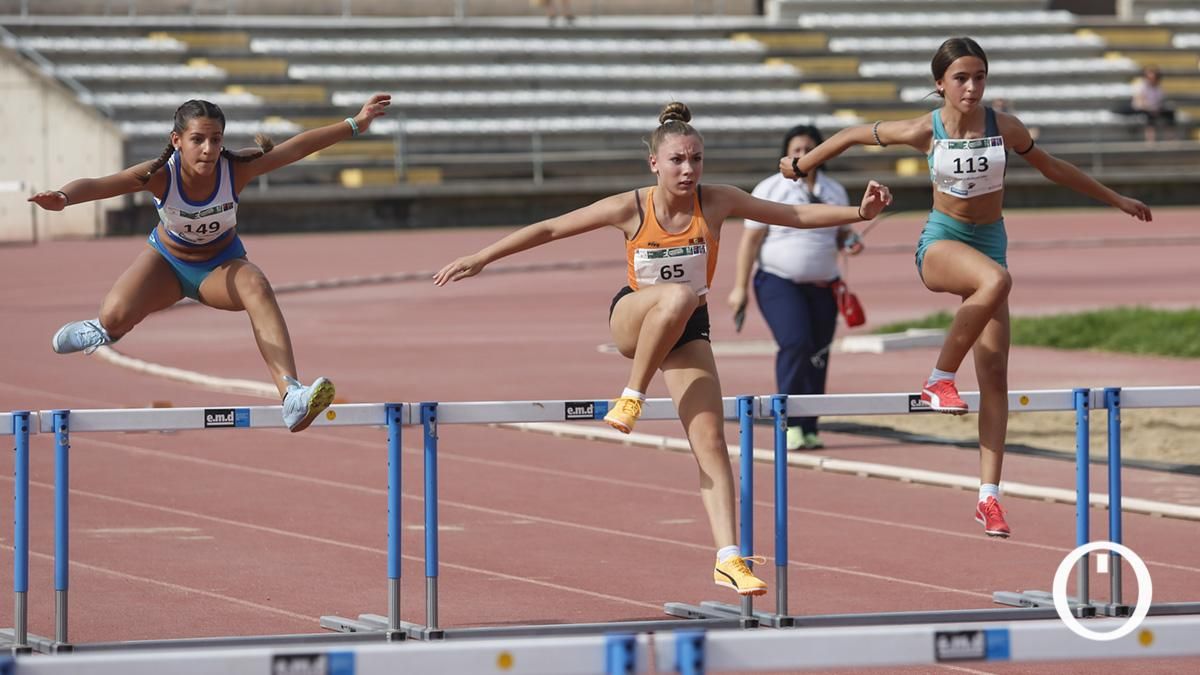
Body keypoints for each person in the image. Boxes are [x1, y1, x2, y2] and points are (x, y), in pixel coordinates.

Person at [435, 102, 891, 596]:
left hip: (687, 329)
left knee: (712, 443)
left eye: (696, 159)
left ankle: (728, 558)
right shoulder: (630, 207)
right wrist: (482, 256)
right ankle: (632, 393)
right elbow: (549, 228)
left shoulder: (716, 202)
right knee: (676, 294)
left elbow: (795, 213)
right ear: (654, 163)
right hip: (634, 317)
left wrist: (858, 213)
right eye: (677, 160)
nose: (689, 170)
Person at [781, 37, 1151, 538]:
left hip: (990, 242)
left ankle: (988, 498)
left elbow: (1053, 169)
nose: (972, 87)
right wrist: (800, 166)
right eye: (961, 78)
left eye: (979, 77)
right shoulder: (924, 130)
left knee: (996, 373)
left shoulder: (1005, 128)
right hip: (942, 244)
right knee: (996, 281)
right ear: (940, 84)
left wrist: (1115, 198)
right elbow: (850, 134)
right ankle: (938, 379)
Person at [29, 94, 392, 432]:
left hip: (219, 267)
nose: (208, 149)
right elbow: (100, 185)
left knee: (257, 286)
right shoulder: (160, 175)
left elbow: (297, 148)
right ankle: (104, 329)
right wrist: (64, 196)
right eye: (198, 140)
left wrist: (356, 123)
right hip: (166, 265)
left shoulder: (235, 169)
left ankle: (292, 395)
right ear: (177, 141)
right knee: (114, 315)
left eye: (216, 140)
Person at [727, 124, 863, 452]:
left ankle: (809, 427)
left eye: (810, 149)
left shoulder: (834, 191)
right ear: (785, 155)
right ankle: (785, 425)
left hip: (824, 285)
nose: (803, 155)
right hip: (778, 281)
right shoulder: (770, 189)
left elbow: (841, 232)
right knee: (796, 342)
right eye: (796, 150)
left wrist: (851, 240)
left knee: (818, 353)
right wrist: (739, 288)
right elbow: (750, 241)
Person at [1131, 66, 1176, 142]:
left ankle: (1170, 139)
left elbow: (1160, 101)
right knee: (1150, 116)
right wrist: (1151, 107)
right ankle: (1150, 141)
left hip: (1155, 109)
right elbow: (1138, 102)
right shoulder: (1141, 86)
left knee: (1170, 113)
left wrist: (1157, 108)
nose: (1152, 79)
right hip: (1142, 109)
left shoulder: (1158, 87)